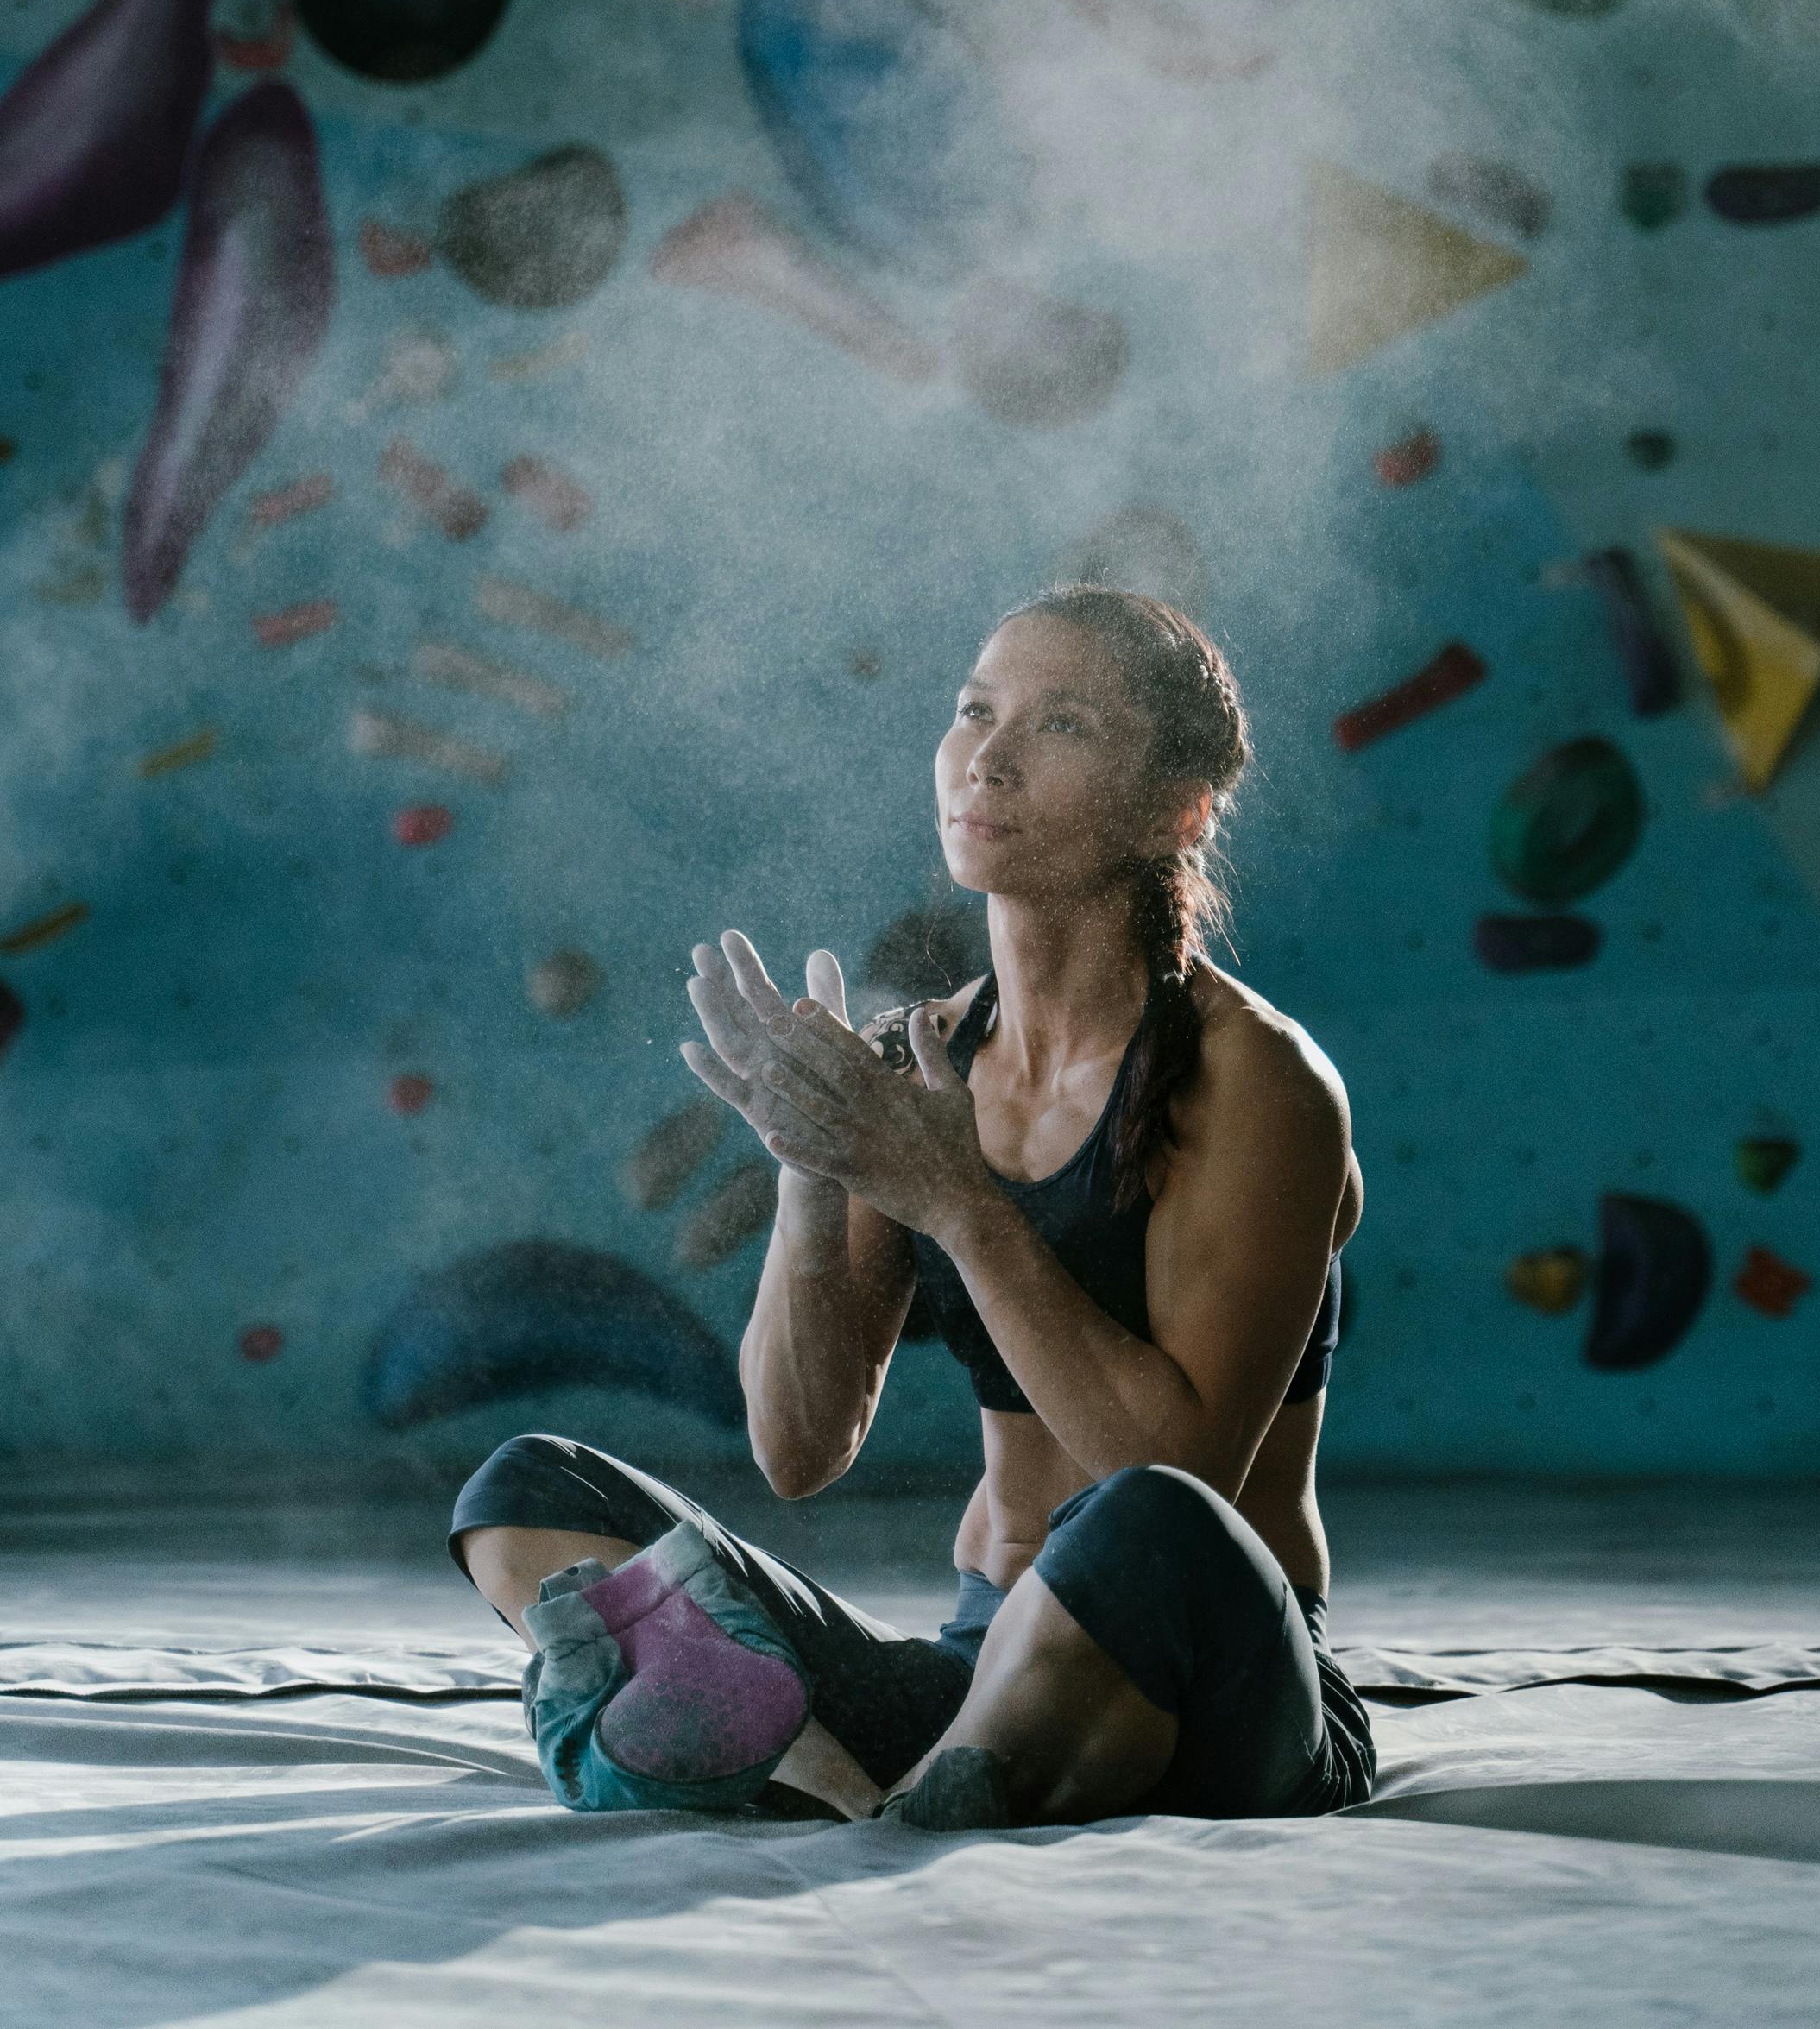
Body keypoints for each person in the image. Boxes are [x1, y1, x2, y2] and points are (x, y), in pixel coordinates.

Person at [451, 585, 1372, 1830]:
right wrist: (809, 1162)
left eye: (1060, 726)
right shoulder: (917, 1066)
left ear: (1176, 807)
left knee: (1137, 1520)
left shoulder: (1258, 1079)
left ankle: (859, 1779)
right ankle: (872, 1774)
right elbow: (798, 1449)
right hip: (975, 1660)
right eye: (972, 711)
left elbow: (1181, 1474)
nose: (984, 757)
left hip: (1212, 1683)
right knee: (528, 1495)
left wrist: (957, 1200)